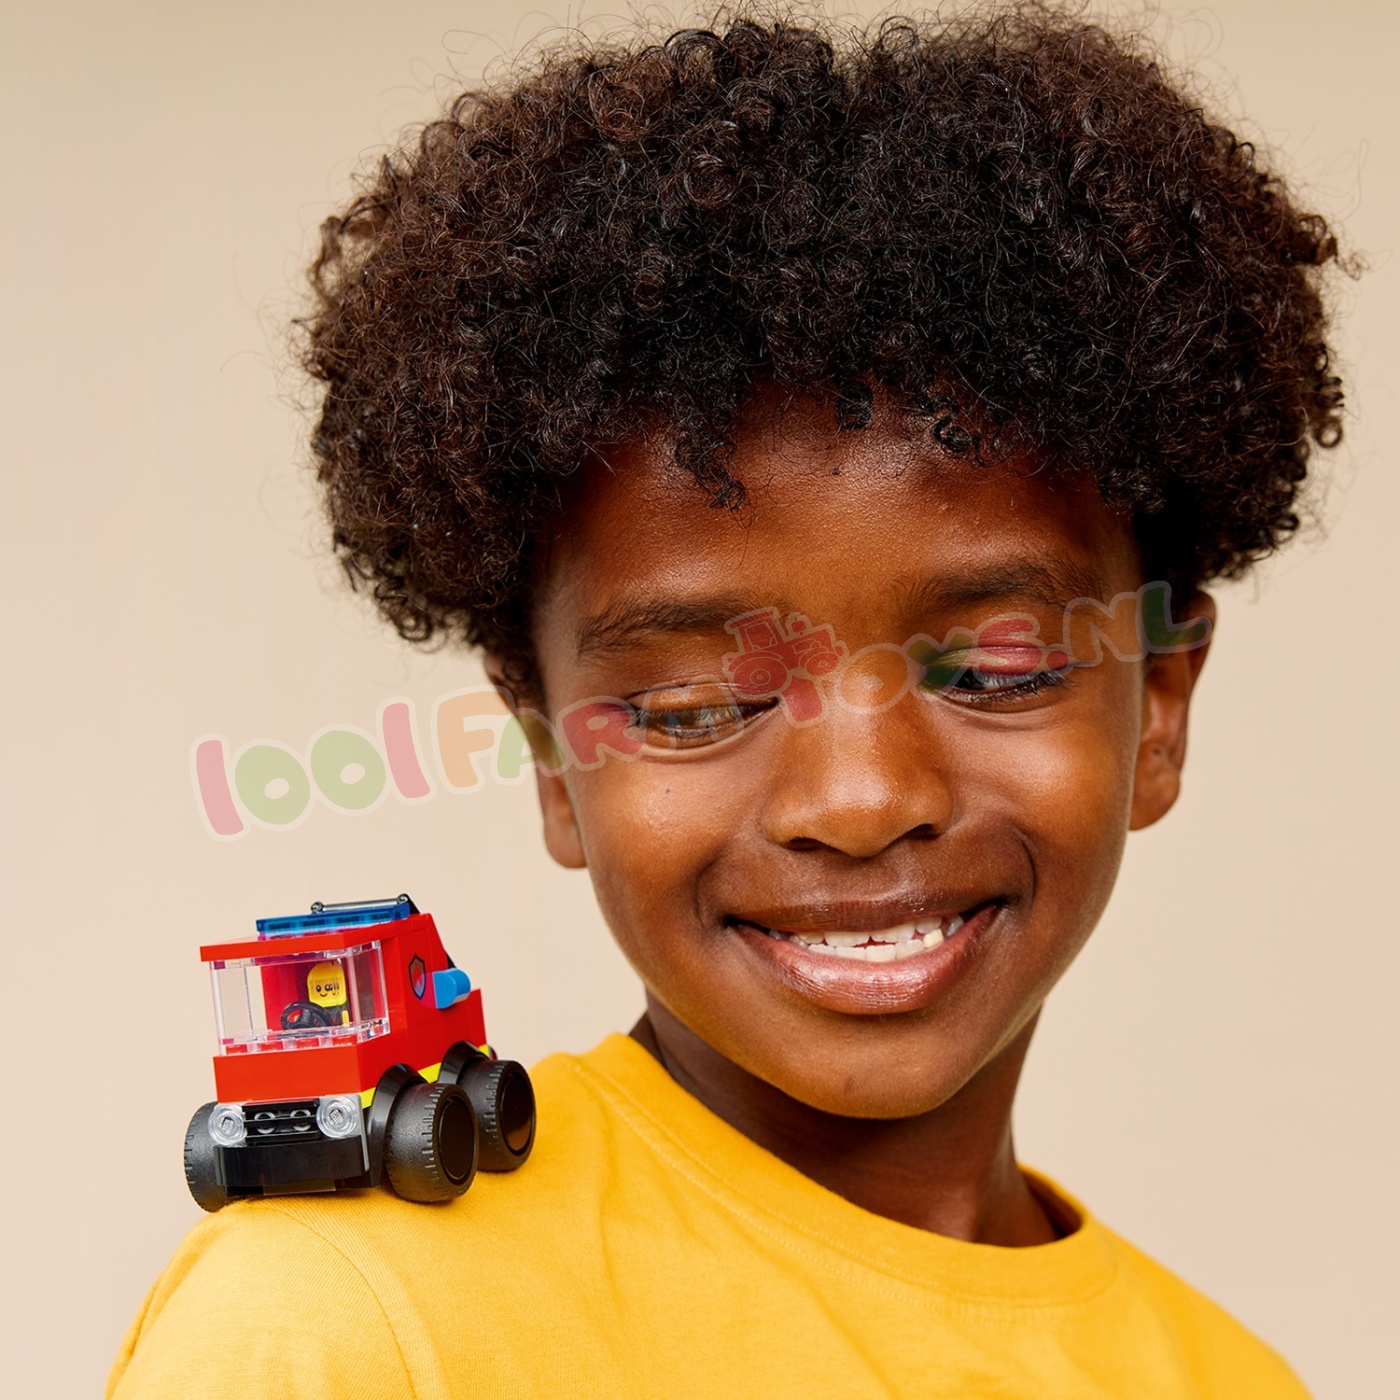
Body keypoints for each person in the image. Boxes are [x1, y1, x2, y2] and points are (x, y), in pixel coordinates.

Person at [108, 6, 1346, 1395]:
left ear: (1158, 708)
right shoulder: (349, 1327)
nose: (861, 800)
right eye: (694, 706)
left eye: (995, 671)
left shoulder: (1234, 1381)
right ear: (552, 763)